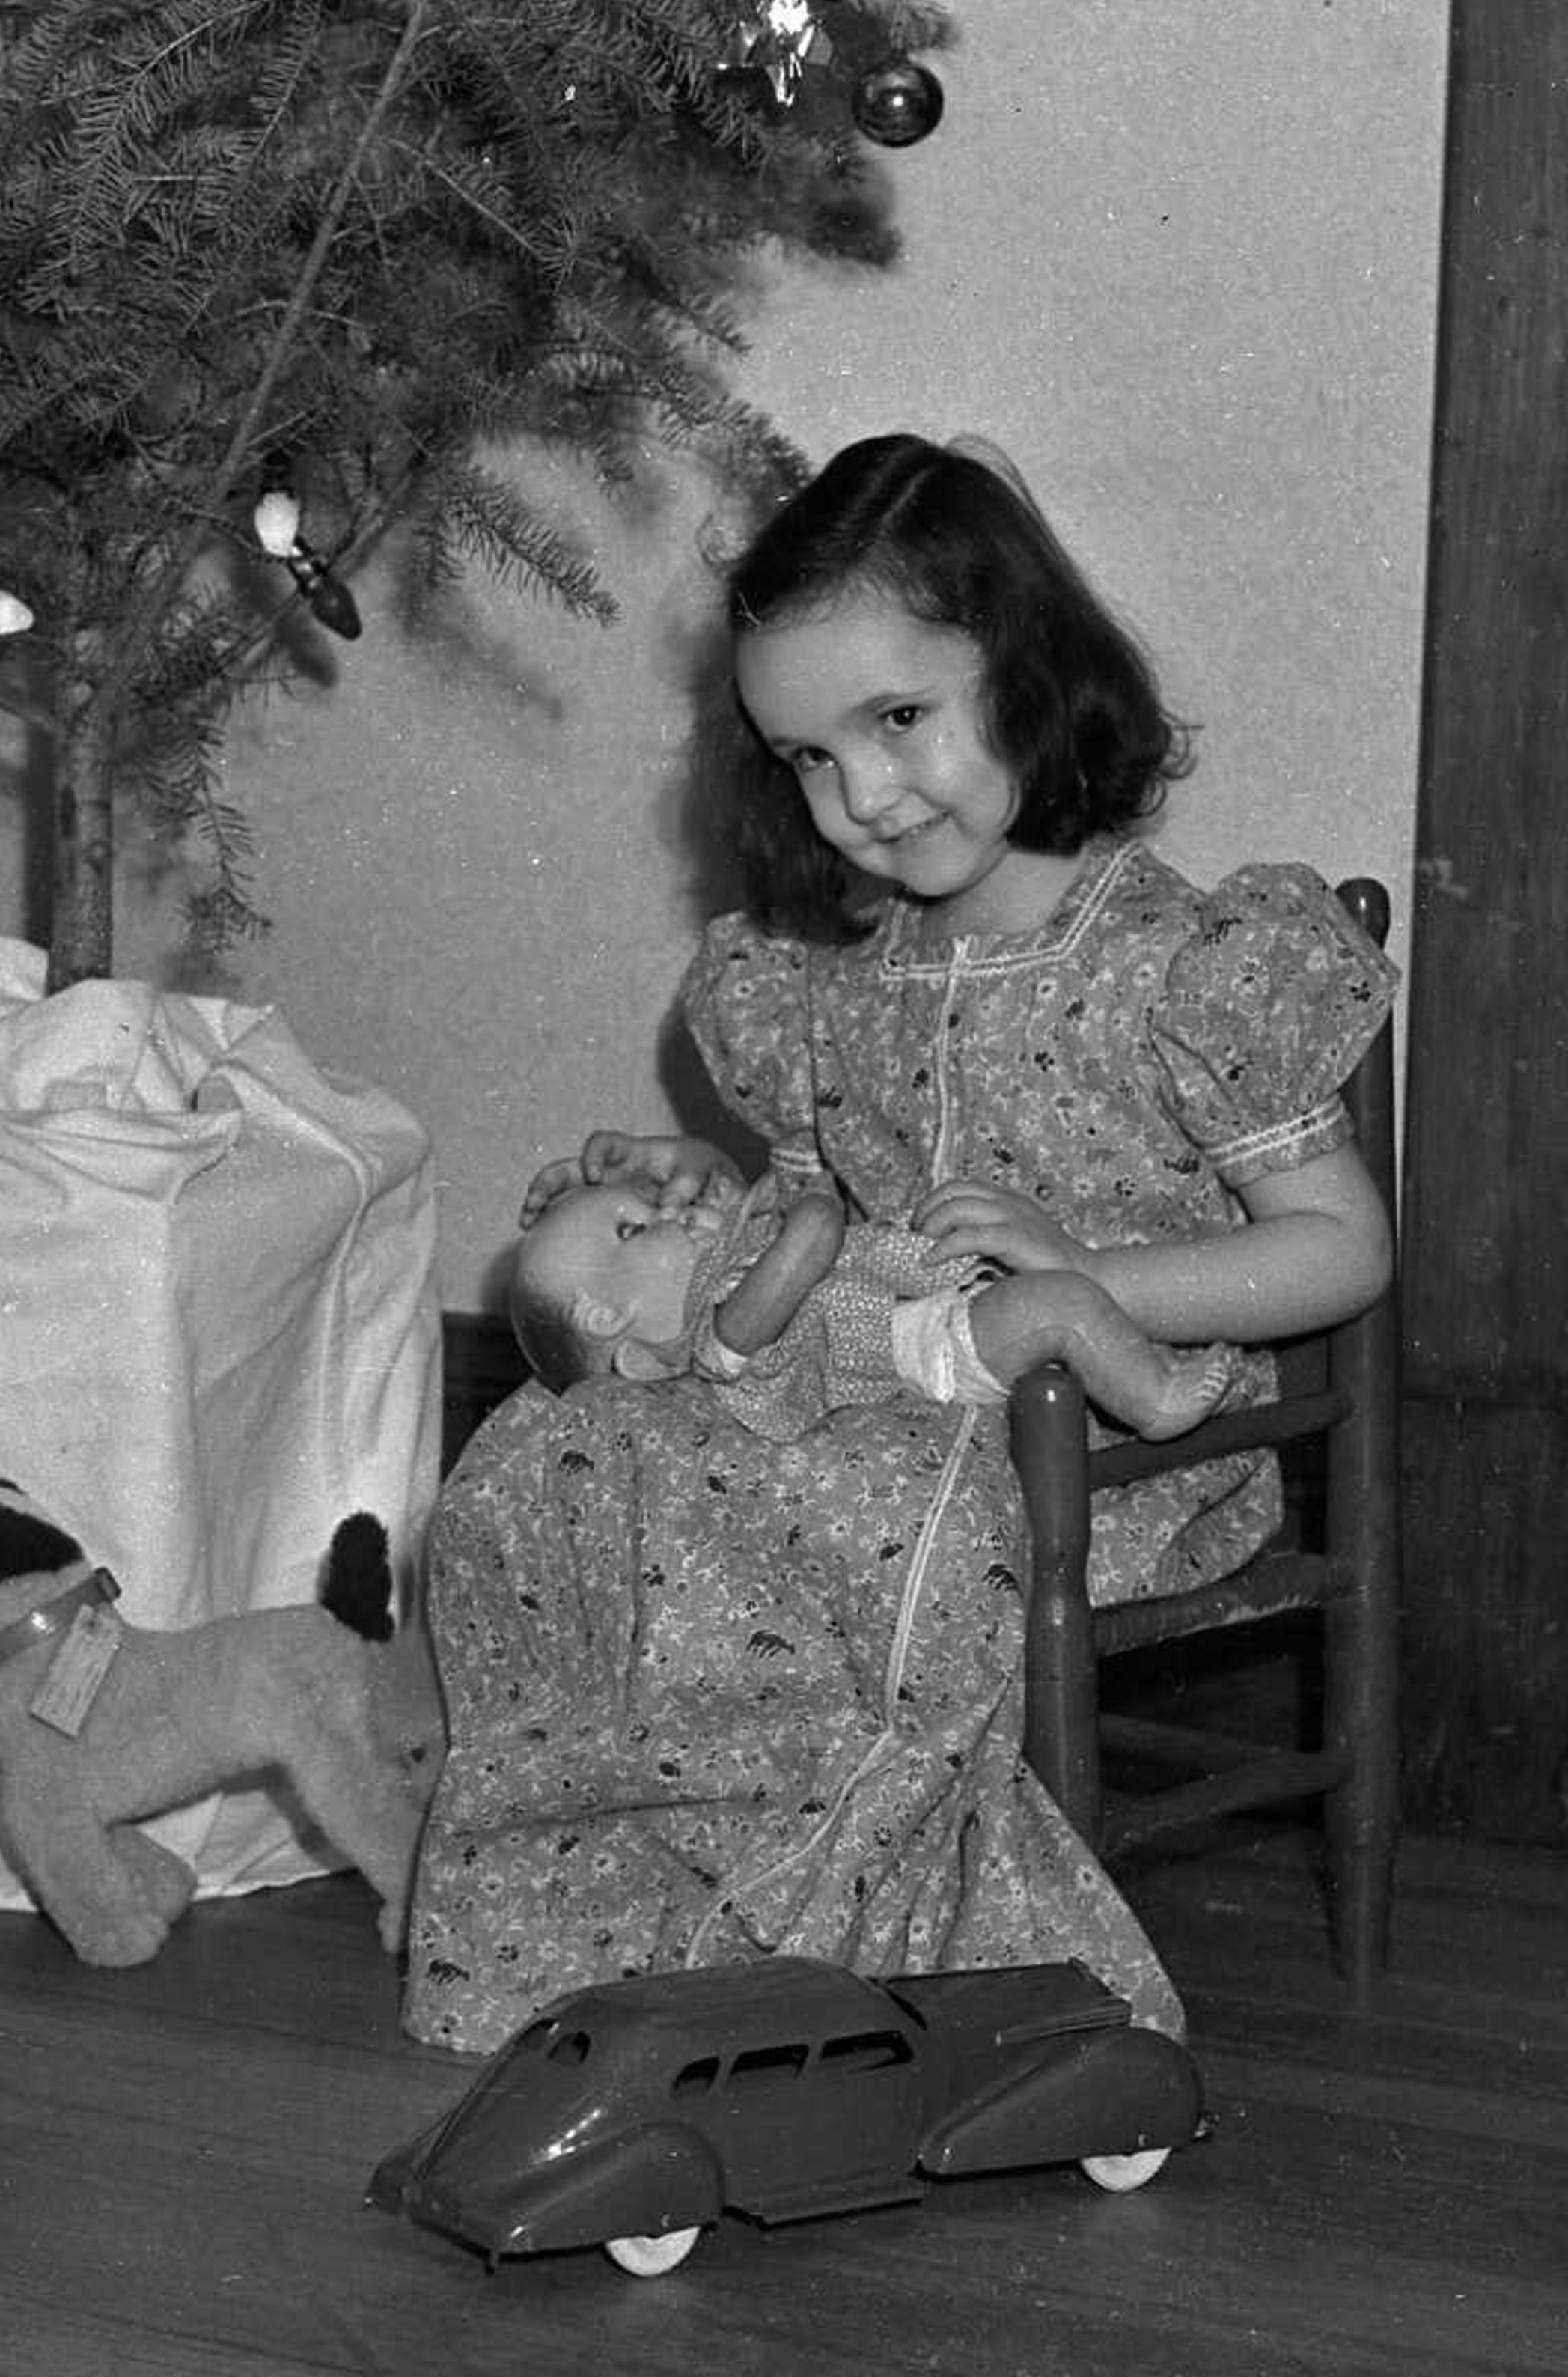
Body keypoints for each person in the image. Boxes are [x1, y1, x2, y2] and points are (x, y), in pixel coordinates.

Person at [408, 433, 1395, 2054]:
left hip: (1130, 1436)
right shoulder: (827, 982)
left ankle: (860, 1917)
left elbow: (1336, 1250)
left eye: (899, 719)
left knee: (814, 1525)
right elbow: (813, 1221)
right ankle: (639, 1885)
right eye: (805, 756)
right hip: (893, 1413)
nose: (862, 796)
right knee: (563, 1455)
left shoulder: (1181, 968)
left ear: (1026, 666)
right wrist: (693, 1199)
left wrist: (1078, 1280)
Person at [510, 1163, 1243, 1443]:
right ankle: (1154, 1399)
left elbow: (738, 1190)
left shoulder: (727, 1257)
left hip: (926, 1302)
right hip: (914, 1349)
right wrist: (808, 1221)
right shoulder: (718, 1339)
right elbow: (797, 1261)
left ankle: (1141, 1358)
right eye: (633, 1228)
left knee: (1048, 1274)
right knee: (1059, 1303)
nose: (666, 1211)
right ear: (610, 1320)